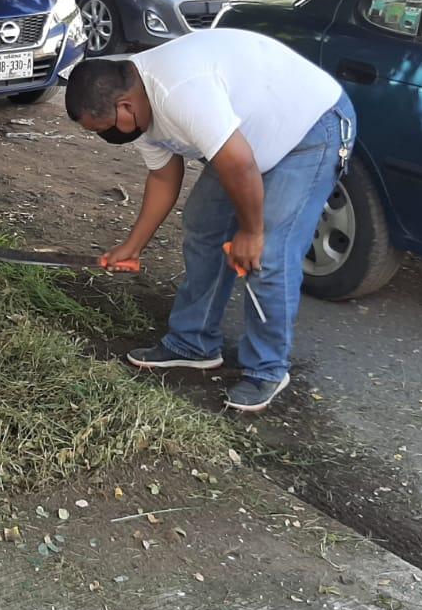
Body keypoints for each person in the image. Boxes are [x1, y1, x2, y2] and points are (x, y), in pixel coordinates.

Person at [64, 29, 355, 412]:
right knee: (204, 224)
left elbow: (238, 163)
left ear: (124, 107)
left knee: (265, 253)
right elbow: (164, 178)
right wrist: (132, 245)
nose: (105, 139)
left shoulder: (179, 93)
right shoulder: (137, 109)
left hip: (310, 129)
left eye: (102, 129)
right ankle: (193, 342)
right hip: (244, 137)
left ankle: (267, 369)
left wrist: (251, 232)